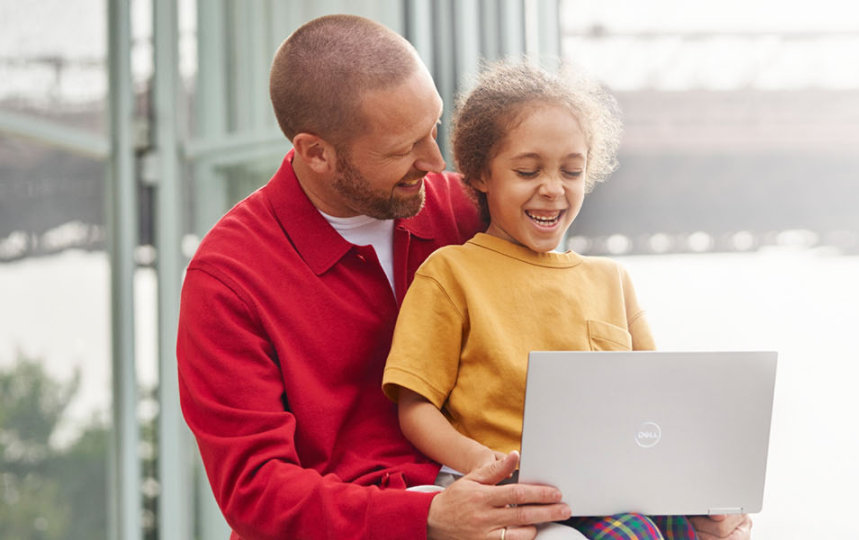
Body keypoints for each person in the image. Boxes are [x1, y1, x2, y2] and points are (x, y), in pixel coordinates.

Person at [177, 14, 576, 540]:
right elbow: (255, 491)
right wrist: (426, 518)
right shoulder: (227, 279)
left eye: (433, 127)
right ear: (316, 153)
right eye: (402, 149)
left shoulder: (468, 211)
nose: (435, 161)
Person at [382, 61, 754, 540]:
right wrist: (482, 461)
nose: (553, 188)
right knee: (632, 534)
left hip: (610, 484)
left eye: (572, 171)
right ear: (480, 174)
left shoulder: (611, 280)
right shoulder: (451, 274)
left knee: (709, 527)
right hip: (510, 493)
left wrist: (704, 498)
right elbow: (415, 407)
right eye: (528, 170)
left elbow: (658, 406)